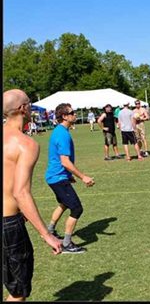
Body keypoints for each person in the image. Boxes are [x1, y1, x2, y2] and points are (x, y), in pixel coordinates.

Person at [3, 89, 62, 301]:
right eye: (29, 103)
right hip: (8, 225)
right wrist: (47, 235)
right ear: (22, 109)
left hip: (10, 219)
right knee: (17, 293)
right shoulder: (26, 144)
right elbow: (20, 192)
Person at [45, 102, 95, 254]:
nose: (75, 114)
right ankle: (66, 244)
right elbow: (64, 161)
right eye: (72, 112)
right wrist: (83, 177)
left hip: (57, 177)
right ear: (65, 116)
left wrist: (69, 176)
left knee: (64, 203)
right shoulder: (63, 134)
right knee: (76, 208)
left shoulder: (60, 131)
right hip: (57, 178)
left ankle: (51, 231)